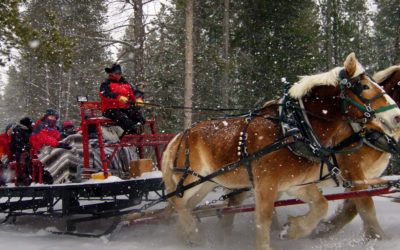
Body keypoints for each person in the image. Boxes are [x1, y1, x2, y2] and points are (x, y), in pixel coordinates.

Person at [99, 63, 145, 135]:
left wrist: (138, 99)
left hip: (123, 108)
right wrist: (118, 97)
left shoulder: (126, 84)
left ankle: (136, 130)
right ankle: (131, 132)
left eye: (119, 73)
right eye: (116, 73)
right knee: (123, 118)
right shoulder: (106, 84)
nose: (118, 75)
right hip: (110, 109)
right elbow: (104, 94)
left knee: (138, 116)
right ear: (111, 73)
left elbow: (134, 94)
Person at [10, 117, 34, 186]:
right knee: (23, 161)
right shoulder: (18, 130)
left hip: (26, 150)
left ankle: (25, 177)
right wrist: (26, 146)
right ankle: (23, 177)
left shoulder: (28, 130)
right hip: (20, 151)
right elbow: (17, 142)